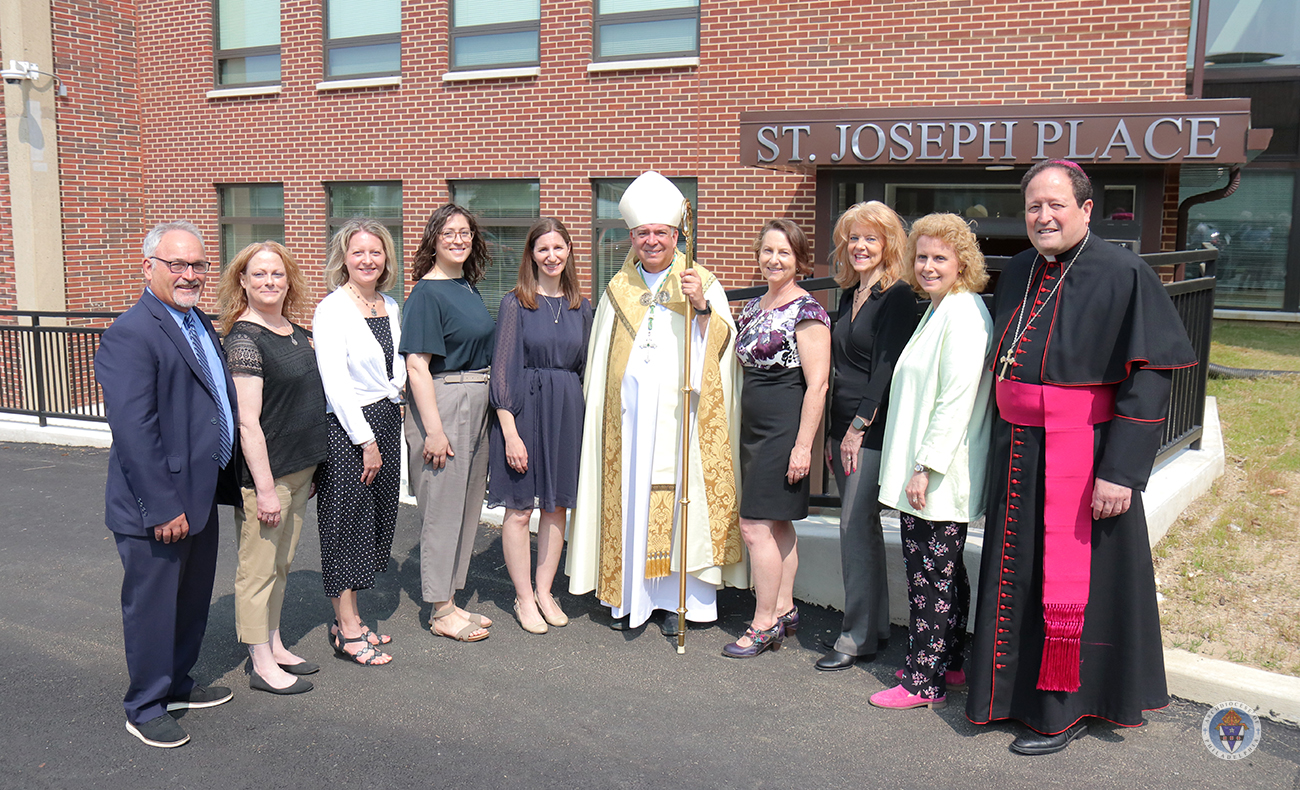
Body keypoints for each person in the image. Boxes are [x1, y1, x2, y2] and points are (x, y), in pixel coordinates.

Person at [966, 160, 1197, 754]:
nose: (1043, 216)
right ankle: (1008, 696)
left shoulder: (1123, 271)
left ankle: (1062, 712)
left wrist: (1121, 471)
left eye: (1056, 205)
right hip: (1018, 451)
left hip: (1084, 456)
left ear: (1086, 209)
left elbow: (1150, 378)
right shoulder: (1018, 269)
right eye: (1033, 207)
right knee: (1016, 575)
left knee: (1070, 585)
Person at [567, 171, 747, 635]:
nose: (652, 241)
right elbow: (600, 358)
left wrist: (702, 308)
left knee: (681, 504)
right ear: (632, 237)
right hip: (627, 424)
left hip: (680, 421)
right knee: (632, 501)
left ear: (675, 235)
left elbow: (725, 351)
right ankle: (632, 596)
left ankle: (679, 601)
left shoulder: (700, 281)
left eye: (661, 233)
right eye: (643, 233)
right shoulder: (617, 290)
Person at [96, 221, 240, 748]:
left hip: (199, 496)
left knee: (191, 602)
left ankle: (176, 683)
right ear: (148, 267)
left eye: (197, 264)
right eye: (176, 264)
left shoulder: (199, 323)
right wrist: (160, 507)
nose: (189, 274)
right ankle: (145, 704)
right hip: (158, 506)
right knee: (153, 609)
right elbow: (134, 432)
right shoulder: (131, 333)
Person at [872, 213, 993, 711]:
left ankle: (924, 681)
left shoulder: (963, 314)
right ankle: (948, 662)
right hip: (932, 469)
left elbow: (955, 398)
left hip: (938, 473)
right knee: (945, 573)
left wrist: (924, 467)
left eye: (939, 258)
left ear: (961, 262)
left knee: (929, 575)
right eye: (921, 256)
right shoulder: (941, 309)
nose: (927, 266)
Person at [218, 241, 327, 694]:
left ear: (289, 280)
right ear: (242, 281)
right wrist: (263, 489)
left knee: (281, 564)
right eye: (258, 274)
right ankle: (261, 662)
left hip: (300, 470)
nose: (268, 282)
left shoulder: (292, 329)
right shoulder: (245, 339)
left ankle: (275, 642)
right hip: (269, 477)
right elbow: (248, 423)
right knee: (258, 568)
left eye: (276, 274)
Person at [817, 201, 919, 672]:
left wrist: (858, 428)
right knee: (862, 531)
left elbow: (885, 367)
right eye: (853, 238)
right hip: (842, 425)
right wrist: (833, 430)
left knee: (853, 527)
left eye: (870, 239)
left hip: (869, 430)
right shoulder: (850, 293)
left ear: (888, 245)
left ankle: (855, 637)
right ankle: (873, 629)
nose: (860, 246)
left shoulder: (895, 295)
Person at [723, 219, 830, 658]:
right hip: (753, 429)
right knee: (779, 523)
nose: (774, 259)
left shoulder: (808, 311)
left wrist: (803, 445)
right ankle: (784, 609)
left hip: (784, 429)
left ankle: (763, 622)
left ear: (799, 259)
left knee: (754, 526)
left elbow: (819, 384)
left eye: (784, 252)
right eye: (767, 251)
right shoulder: (755, 307)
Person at [489, 218, 594, 634]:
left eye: (558, 247)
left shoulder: (580, 306)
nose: (551, 256)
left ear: (569, 250)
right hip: (523, 412)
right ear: (531, 254)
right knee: (519, 510)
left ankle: (545, 590)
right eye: (542, 249)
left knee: (556, 507)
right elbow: (501, 371)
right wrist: (510, 431)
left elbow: (588, 367)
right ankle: (524, 597)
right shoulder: (516, 303)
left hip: (566, 409)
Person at [401, 204, 497, 643]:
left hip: (477, 398)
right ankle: (439, 609)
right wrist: (434, 430)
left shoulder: (468, 287)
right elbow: (417, 366)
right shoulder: (427, 293)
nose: (459, 240)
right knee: (442, 509)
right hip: (445, 399)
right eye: (449, 233)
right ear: (433, 240)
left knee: (467, 504)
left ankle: (452, 599)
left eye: (465, 233)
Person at [313, 218, 405, 666]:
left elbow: (397, 366)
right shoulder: (333, 309)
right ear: (343, 258)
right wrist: (366, 439)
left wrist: (399, 402)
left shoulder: (389, 304)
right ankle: (347, 631)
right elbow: (335, 383)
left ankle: (349, 618)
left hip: (386, 418)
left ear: (386, 257)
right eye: (358, 252)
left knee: (374, 520)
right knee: (344, 526)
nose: (367, 260)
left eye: (375, 252)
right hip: (352, 428)